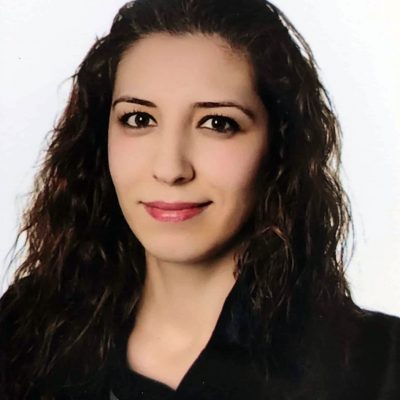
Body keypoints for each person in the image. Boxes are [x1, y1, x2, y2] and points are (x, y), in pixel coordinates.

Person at [1, 0, 399, 399]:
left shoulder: (380, 366)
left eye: (217, 123)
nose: (170, 168)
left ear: (280, 145)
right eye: (139, 119)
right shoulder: (22, 330)